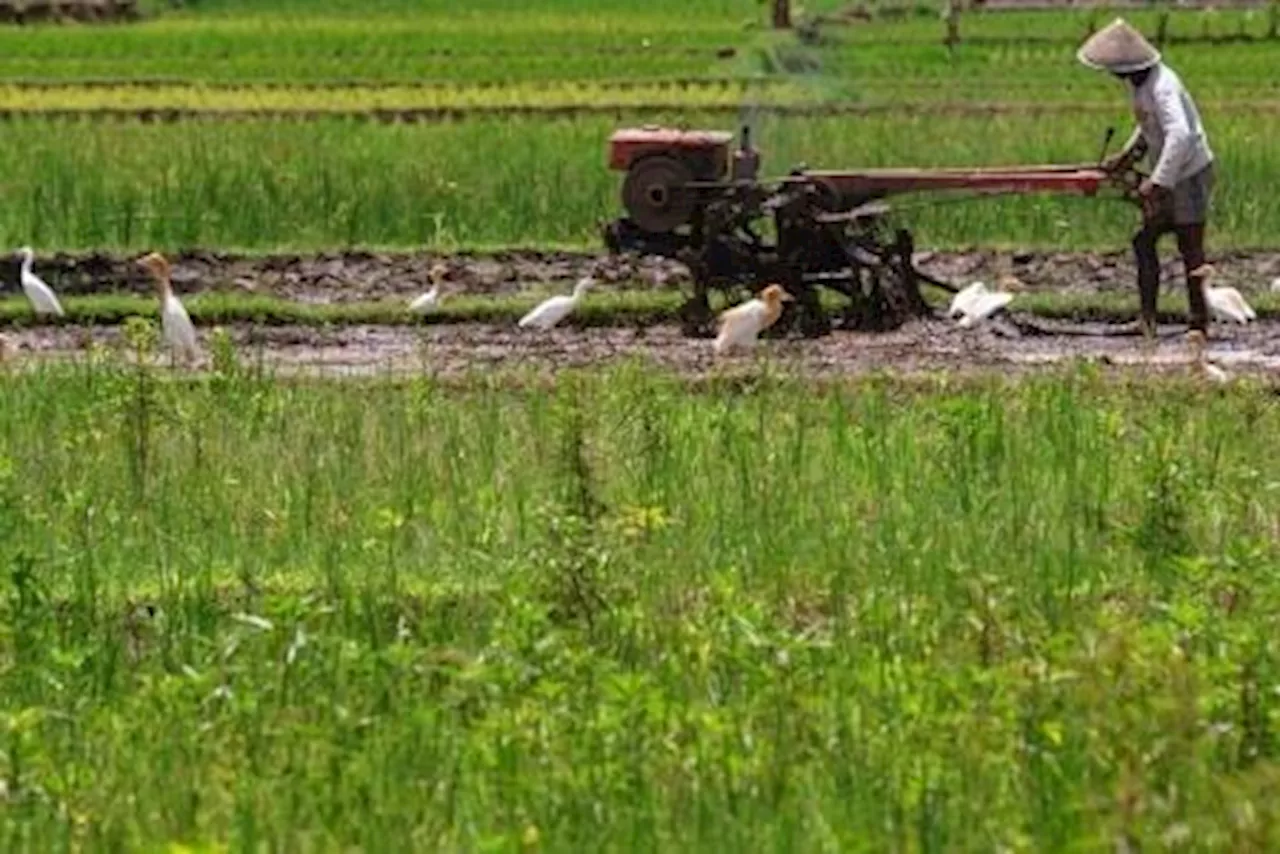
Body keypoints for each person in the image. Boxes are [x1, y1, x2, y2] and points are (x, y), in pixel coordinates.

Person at [1077, 18, 1216, 340]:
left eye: (1115, 69)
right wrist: (1127, 157)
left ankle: (1199, 324)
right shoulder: (1143, 86)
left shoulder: (1162, 85)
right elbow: (1149, 127)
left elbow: (1180, 134)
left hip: (1190, 174)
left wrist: (1157, 182)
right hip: (1171, 174)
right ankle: (1147, 322)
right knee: (1144, 242)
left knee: (1190, 248)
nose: (1113, 75)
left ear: (1128, 66)